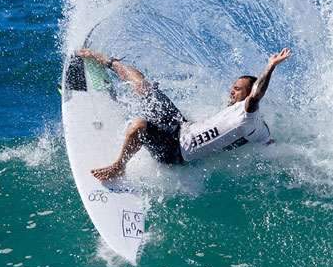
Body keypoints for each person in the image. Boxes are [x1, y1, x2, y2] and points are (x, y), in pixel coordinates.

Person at [77, 46, 292, 181]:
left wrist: (270, 67)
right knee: (144, 87)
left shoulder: (248, 114)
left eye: (237, 89)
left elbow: (256, 96)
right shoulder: (260, 128)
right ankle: (106, 61)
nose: (231, 91)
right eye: (233, 87)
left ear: (249, 93)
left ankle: (119, 167)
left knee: (138, 125)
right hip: (181, 127)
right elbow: (268, 144)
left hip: (176, 151)